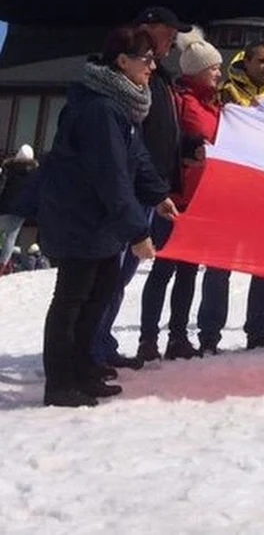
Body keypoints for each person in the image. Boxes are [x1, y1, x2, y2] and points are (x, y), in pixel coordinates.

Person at [38, 26, 177, 407]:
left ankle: (84, 369)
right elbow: (111, 174)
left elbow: (137, 158)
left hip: (99, 222)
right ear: (122, 62)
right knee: (72, 300)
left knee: (97, 298)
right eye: (145, 59)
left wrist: (158, 195)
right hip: (79, 218)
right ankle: (61, 382)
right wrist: (137, 231)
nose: (152, 66)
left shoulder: (122, 104)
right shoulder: (101, 108)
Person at [94, 6, 190, 371]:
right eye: (168, 32)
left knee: (120, 276)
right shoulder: (118, 90)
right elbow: (128, 146)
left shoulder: (161, 78)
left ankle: (101, 341)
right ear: (147, 29)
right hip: (126, 194)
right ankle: (90, 348)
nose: (173, 40)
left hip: (147, 191)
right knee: (108, 274)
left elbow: (155, 139)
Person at [196, 41, 264, 354]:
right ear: (246, 62)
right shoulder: (224, 93)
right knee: (219, 266)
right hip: (230, 192)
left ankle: (259, 329)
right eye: (262, 61)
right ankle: (210, 334)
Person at [136, 32, 225, 361]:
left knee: (188, 272)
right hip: (175, 196)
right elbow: (165, 138)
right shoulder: (177, 100)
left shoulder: (215, 106)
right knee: (164, 269)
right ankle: (148, 338)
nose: (219, 73)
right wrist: (189, 150)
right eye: (213, 68)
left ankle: (178, 336)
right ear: (196, 71)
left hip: (202, 199)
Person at [0, 144, 38, 271]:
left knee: (6, 236)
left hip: (3, 208)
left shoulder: (8, 169)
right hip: (21, 212)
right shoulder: (34, 174)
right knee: (10, 238)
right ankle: (3, 265)